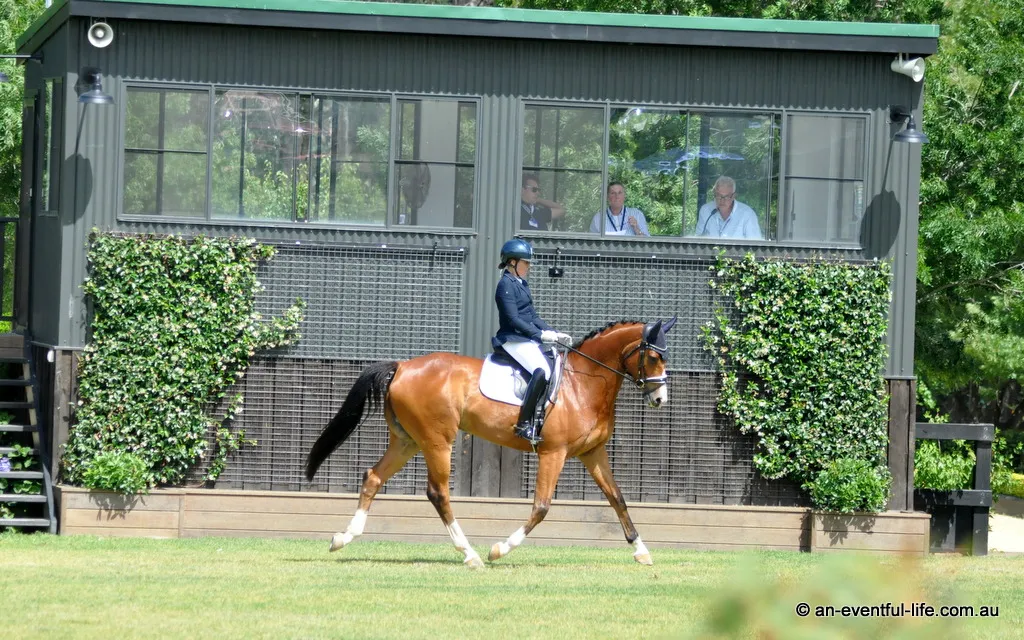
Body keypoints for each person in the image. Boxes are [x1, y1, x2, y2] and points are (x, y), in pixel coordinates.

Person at [493, 238, 572, 445]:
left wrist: (554, 333)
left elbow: (532, 316)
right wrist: (539, 336)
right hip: (512, 339)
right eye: (525, 262)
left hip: (524, 339)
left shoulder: (521, 284)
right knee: (542, 371)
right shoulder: (505, 285)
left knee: (551, 365)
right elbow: (513, 319)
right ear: (512, 262)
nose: (528, 266)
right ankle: (524, 424)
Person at [695, 176, 763, 240]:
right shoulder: (706, 210)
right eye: (718, 195)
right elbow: (698, 239)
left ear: (734, 196)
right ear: (715, 193)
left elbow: (755, 245)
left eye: (726, 196)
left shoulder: (747, 214)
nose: (722, 200)